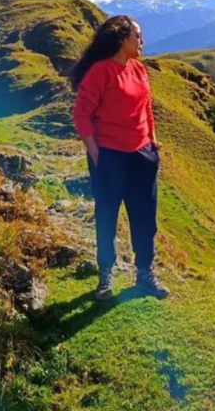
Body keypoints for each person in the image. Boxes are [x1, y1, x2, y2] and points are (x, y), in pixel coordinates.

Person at [71, 15, 169, 301]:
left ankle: (145, 274)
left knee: (145, 218)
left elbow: (146, 108)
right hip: (110, 157)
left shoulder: (139, 70)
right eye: (137, 36)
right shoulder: (100, 72)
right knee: (107, 217)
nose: (142, 42)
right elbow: (81, 115)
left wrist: (152, 142)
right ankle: (105, 277)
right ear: (122, 39)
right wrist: (96, 153)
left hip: (142, 155)